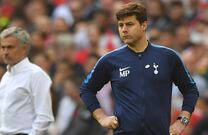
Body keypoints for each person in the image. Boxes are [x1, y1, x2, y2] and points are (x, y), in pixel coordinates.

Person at [80, 2, 199, 135]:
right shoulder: (110, 60)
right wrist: (102, 117)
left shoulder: (168, 57)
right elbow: (86, 90)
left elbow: (190, 89)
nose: (124, 29)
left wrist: (182, 121)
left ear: (144, 25)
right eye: (120, 25)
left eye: (129, 24)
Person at [0, 27, 54, 135]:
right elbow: (2, 120)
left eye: (10, 47)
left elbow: (44, 117)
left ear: (24, 48)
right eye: (3, 47)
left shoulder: (36, 75)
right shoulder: (5, 77)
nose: (5, 52)